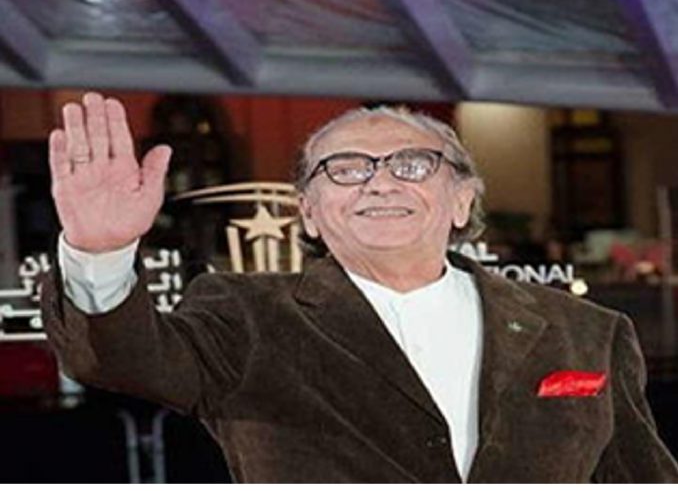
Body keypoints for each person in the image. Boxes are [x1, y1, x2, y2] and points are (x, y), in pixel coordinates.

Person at [41, 92, 678, 483]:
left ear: (462, 200)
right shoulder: (245, 317)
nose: (380, 182)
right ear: (309, 213)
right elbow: (120, 358)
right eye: (345, 169)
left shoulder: (585, 331)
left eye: (413, 165)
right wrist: (101, 251)